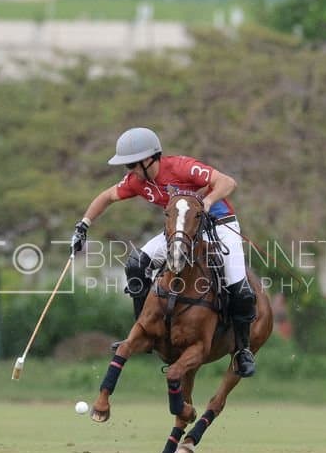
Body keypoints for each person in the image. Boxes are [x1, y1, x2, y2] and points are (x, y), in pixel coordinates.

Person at [70, 126, 258, 378]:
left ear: (150, 159)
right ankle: (144, 330)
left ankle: (242, 350)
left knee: (240, 289)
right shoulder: (138, 182)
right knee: (136, 265)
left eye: (132, 165)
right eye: (128, 167)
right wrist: (83, 225)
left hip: (220, 224)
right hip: (180, 230)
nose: (131, 171)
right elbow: (107, 196)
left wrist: (207, 202)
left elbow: (227, 182)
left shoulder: (181, 167)